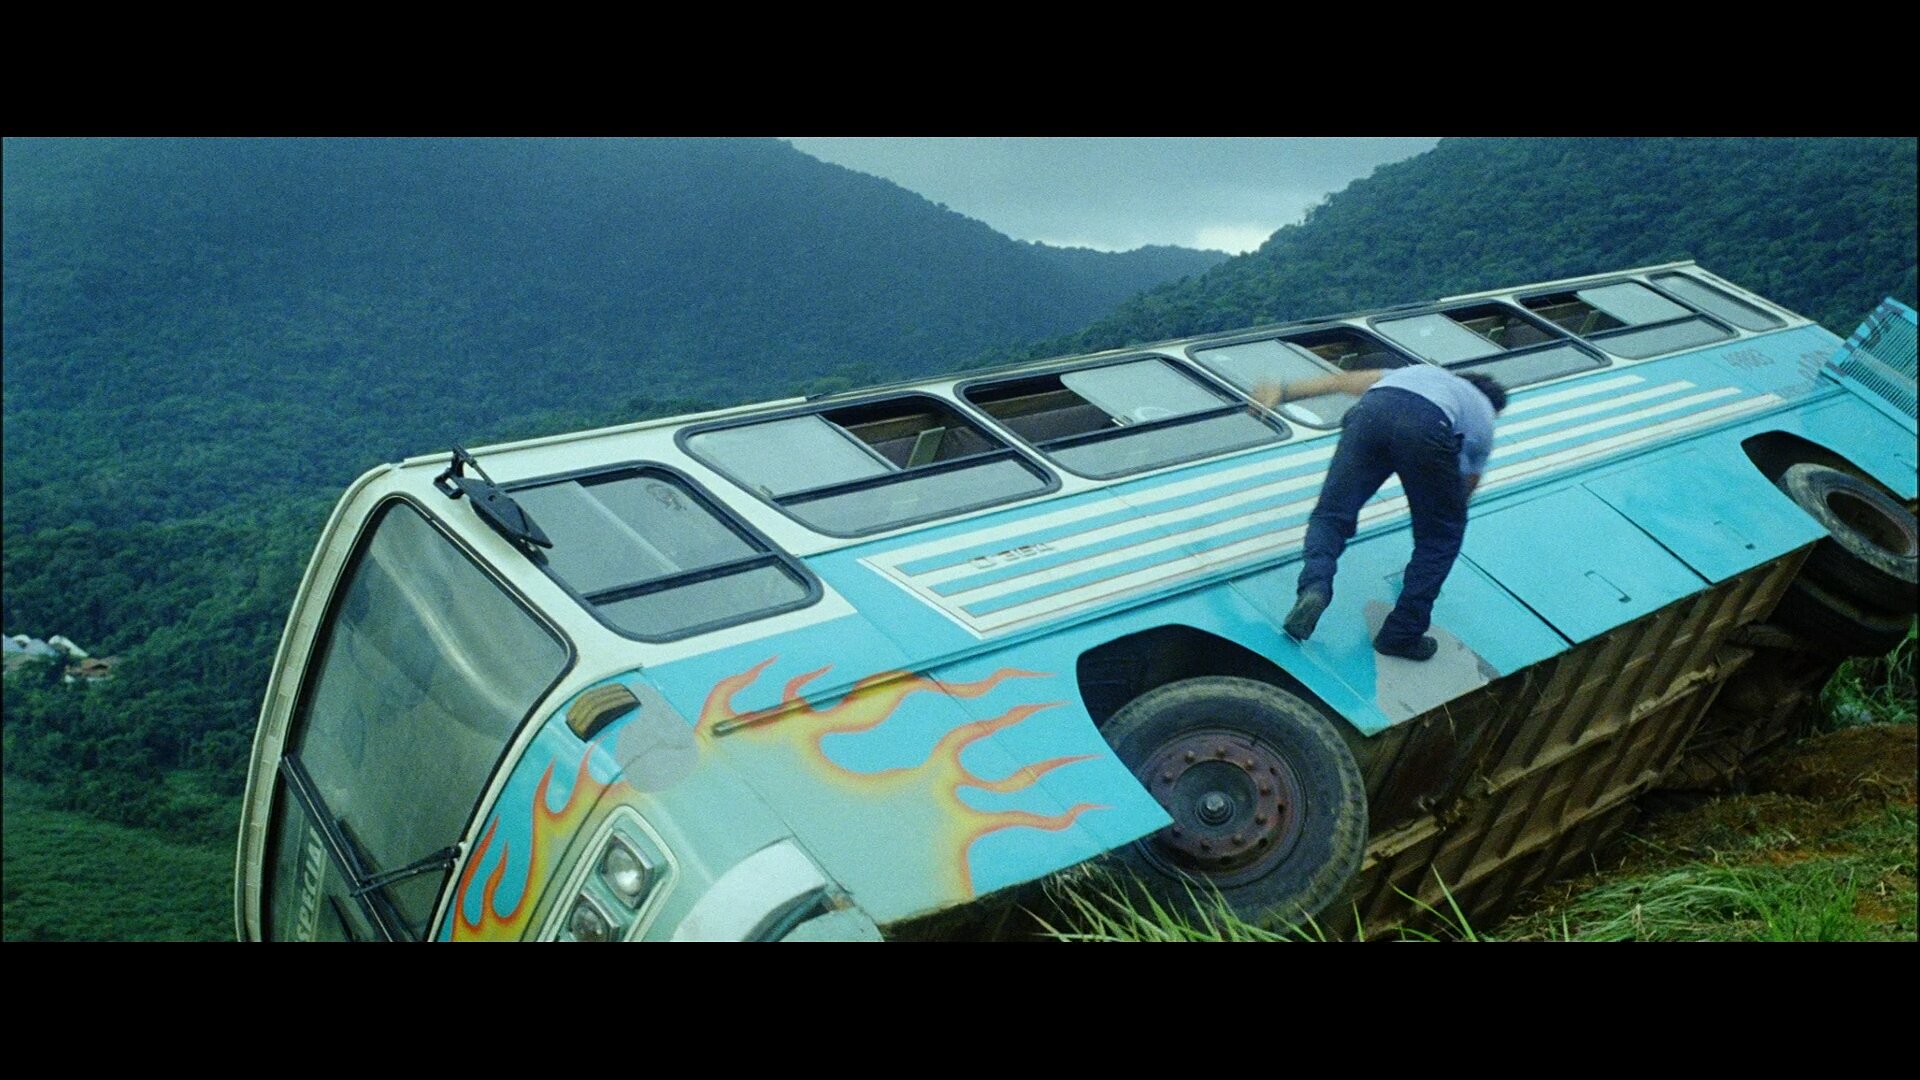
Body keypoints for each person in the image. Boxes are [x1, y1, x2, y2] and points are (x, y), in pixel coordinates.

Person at [1254, 365, 1508, 661]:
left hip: (1371, 412)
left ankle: (1315, 586)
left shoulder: (1419, 373)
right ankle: (1401, 634)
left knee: (1331, 515)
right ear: (1495, 406)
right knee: (1440, 539)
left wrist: (1283, 391)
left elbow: (1343, 381)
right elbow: (1466, 485)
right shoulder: (1484, 412)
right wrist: (1439, 515)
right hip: (1428, 427)